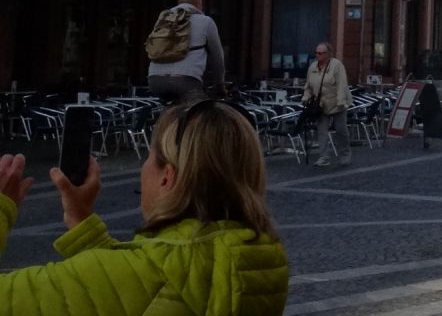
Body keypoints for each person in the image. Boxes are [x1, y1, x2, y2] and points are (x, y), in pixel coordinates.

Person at [0, 99, 288, 312]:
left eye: (150, 157)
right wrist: (82, 221)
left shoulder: (150, 272)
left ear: (167, 177)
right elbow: (134, 295)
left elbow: (132, 282)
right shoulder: (261, 263)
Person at [147, 0, 225, 106]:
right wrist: (219, 84)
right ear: (199, 5)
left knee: (167, 110)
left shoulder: (163, 20)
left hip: (155, 80)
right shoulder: (206, 22)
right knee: (201, 111)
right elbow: (217, 57)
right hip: (186, 80)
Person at [302, 42, 352, 168]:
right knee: (322, 131)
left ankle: (345, 154)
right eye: (316, 52)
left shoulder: (336, 65)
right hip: (321, 105)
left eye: (321, 53)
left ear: (328, 54)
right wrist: (305, 97)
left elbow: (342, 84)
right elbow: (308, 86)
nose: (318, 55)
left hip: (337, 103)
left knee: (341, 130)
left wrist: (341, 101)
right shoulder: (312, 67)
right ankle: (324, 157)